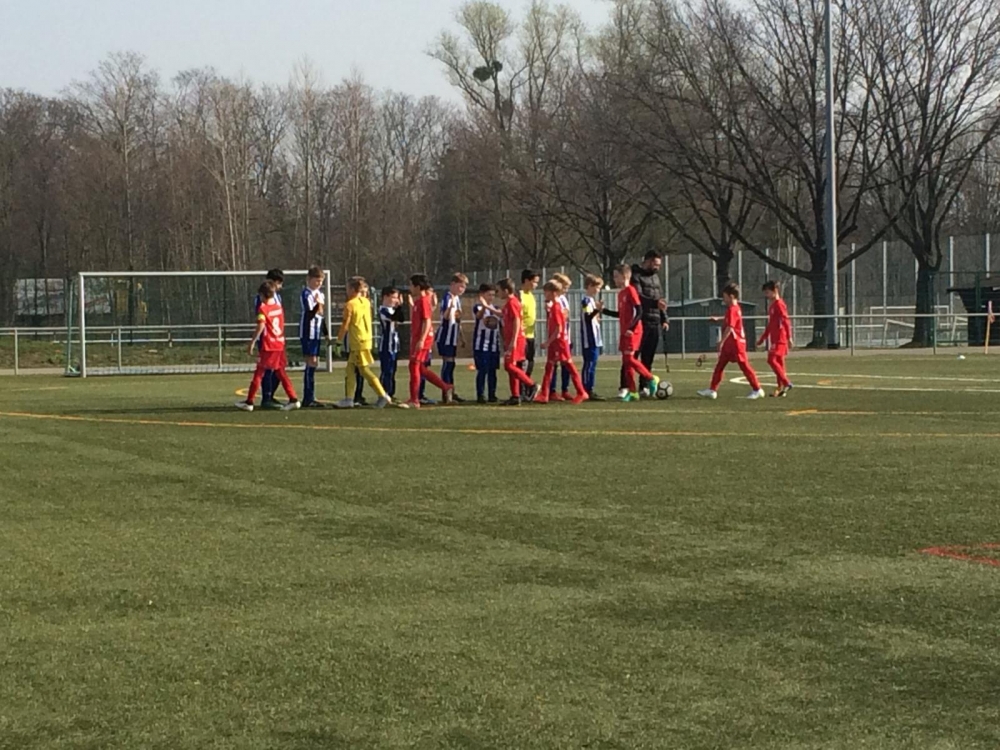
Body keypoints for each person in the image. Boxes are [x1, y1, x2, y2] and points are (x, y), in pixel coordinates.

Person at [236, 280, 299, 412]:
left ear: (262, 295)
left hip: (269, 345)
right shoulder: (279, 308)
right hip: (279, 343)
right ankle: (293, 398)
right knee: (280, 372)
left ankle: (249, 401)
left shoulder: (263, 309)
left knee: (259, 372)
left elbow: (261, 325)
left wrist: (252, 341)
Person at [698, 282, 765, 400]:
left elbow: (730, 327)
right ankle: (712, 390)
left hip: (736, 343)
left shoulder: (733, 309)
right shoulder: (734, 308)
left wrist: (721, 341)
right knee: (720, 366)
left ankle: (757, 389)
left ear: (731, 296)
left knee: (745, 366)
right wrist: (719, 318)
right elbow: (730, 320)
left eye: (725, 297)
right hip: (731, 344)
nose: (723, 299)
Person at [605, 265, 659, 402]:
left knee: (629, 359)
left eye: (616, 276)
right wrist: (603, 311)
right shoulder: (621, 294)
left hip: (633, 331)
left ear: (624, 276)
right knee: (626, 362)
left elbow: (639, 311)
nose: (614, 279)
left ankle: (651, 378)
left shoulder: (631, 290)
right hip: (624, 332)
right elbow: (621, 314)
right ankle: (633, 392)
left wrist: (631, 328)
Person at [335, 277, 390, 409]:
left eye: (347, 288)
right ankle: (349, 398)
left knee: (364, 370)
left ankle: (382, 395)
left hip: (358, 341)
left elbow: (345, 324)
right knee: (350, 369)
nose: (346, 291)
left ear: (352, 289)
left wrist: (338, 341)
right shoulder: (366, 301)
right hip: (366, 339)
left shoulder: (350, 304)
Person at [534, 281, 588, 405]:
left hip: (560, 343)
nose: (545, 295)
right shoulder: (554, 306)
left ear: (553, 293)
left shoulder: (557, 307)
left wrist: (548, 342)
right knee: (549, 366)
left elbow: (559, 328)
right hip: (555, 343)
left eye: (546, 292)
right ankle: (544, 394)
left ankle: (581, 392)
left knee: (569, 366)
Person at [408, 274, 454, 409]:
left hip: (422, 339)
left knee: (414, 366)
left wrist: (421, 339)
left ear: (418, 287)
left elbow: (427, 321)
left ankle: (414, 399)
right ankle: (446, 386)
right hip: (417, 338)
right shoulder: (419, 301)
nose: (410, 288)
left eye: (411, 285)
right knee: (420, 368)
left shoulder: (423, 301)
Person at [630, 251, 669, 394]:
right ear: (647, 261)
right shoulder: (636, 276)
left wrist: (664, 318)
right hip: (641, 321)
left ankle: (644, 386)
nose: (657, 267)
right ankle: (628, 386)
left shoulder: (655, 278)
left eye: (659, 265)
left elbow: (660, 298)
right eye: (655, 264)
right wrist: (655, 303)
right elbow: (639, 297)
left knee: (648, 357)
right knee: (633, 356)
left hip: (655, 321)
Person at [497, 278, 537, 406]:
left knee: (509, 366)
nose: (498, 293)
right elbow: (504, 316)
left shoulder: (513, 302)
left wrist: (513, 341)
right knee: (511, 368)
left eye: (499, 291)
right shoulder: (509, 303)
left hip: (516, 340)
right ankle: (515, 396)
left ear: (506, 291)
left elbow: (517, 321)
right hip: (511, 339)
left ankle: (531, 384)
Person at [756, 280, 794, 397]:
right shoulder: (773, 306)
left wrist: (789, 337)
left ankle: (786, 383)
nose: (766, 295)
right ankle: (780, 389)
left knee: (771, 360)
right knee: (779, 363)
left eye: (768, 292)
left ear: (775, 291)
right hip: (775, 338)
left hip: (780, 338)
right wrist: (763, 338)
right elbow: (771, 324)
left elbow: (786, 321)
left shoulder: (779, 304)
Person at [254, 268, 284, 409]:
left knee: (279, 368)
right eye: (279, 283)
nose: (280, 287)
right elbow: (261, 319)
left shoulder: (278, 298)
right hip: (266, 339)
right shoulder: (260, 299)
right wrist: (255, 340)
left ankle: (270, 395)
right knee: (267, 368)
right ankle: (266, 398)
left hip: (277, 339)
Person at [436, 273, 468, 401]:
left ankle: (451, 391)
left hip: (453, 337)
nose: (462, 289)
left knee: (452, 364)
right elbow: (445, 316)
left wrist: (461, 336)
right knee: (447, 363)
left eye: (464, 287)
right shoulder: (448, 297)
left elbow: (457, 320)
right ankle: (446, 392)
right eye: (460, 286)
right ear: (453, 285)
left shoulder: (457, 300)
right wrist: (450, 307)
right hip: (445, 336)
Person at [299, 266, 326, 407]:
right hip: (307, 332)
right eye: (316, 281)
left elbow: (321, 315)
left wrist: (326, 333)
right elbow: (310, 314)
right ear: (308, 279)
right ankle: (308, 397)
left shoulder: (320, 294)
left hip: (316, 333)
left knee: (314, 363)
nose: (319, 284)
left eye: (321, 281)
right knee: (311, 361)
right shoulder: (306, 294)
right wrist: (318, 304)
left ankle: (311, 396)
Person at [472, 283, 502, 403]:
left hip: (494, 345)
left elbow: (500, 318)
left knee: (492, 371)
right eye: (488, 295)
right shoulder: (478, 307)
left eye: (493, 295)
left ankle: (492, 394)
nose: (491, 297)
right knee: (482, 370)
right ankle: (480, 395)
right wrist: (484, 306)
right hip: (481, 345)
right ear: (482, 295)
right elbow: (479, 316)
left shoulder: (496, 308)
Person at [548, 273, 574, 401]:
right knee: (554, 363)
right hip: (558, 337)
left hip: (566, 335)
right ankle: (552, 390)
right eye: (564, 287)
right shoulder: (554, 301)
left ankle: (565, 389)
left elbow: (565, 317)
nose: (566, 290)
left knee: (566, 364)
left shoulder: (563, 299)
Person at [378, 286, 405, 402]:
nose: (396, 300)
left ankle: (391, 393)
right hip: (386, 345)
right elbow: (393, 318)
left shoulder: (394, 309)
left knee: (393, 371)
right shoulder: (383, 310)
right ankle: (383, 393)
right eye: (394, 297)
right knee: (386, 370)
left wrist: (399, 307)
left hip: (394, 345)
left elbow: (401, 319)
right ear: (386, 297)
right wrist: (399, 307)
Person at [580, 274, 604, 400]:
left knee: (593, 363)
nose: (598, 290)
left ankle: (590, 388)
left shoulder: (592, 301)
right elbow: (587, 317)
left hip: (595, 337)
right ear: (589, 286)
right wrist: (597, 310)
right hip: (588, 338)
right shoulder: (585, 301)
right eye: (597, 287)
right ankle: (585, 389)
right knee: (588, 364)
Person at [519, 270, 540, 378]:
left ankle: (527, 384)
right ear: (526, 280)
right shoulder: (519, 295)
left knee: (530, 361)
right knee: (522, 362)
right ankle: (521, 386)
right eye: (534, 282)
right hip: (522, 335)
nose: (536, 285)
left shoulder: (531, 295)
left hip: (531, 334)